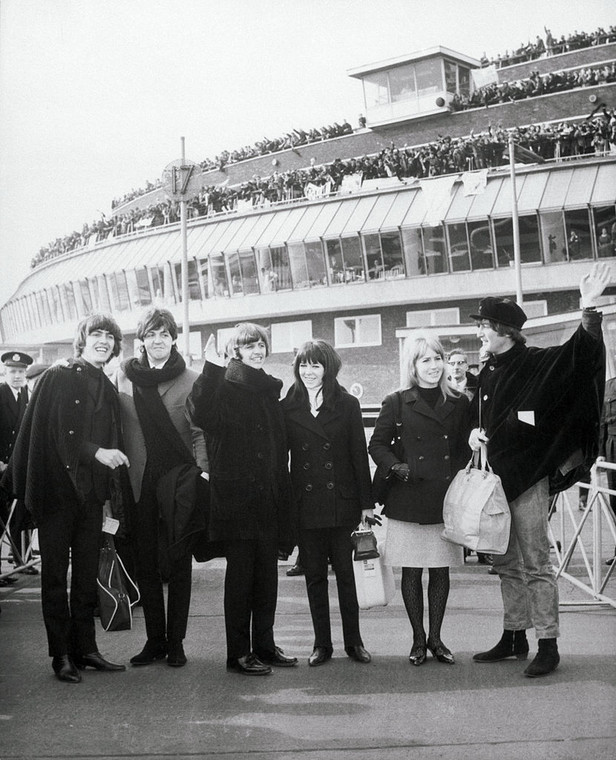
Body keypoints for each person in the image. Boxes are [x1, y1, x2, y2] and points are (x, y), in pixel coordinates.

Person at [468, 262, 610, 678]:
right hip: (496, 480)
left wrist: (589, 307)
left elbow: (580, 355)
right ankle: (515, 635)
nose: (479, 333)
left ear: (506, 331)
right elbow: (476, 422)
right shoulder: (488, 372)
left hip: (528, 480)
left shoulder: (536, 362)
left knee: (536, 563)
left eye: (485, 327)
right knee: (507, 564)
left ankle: (547, 644)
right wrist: (472, 436)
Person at [1, 314, 131, 683]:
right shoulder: (60, 375)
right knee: (55, 577)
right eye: (97, 334)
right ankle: (60, 655)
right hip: (57, 494)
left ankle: (85, 649)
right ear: (83, 339)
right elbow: (60, 432)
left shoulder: (104, 383)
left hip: (90, 496)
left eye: (110, 336)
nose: (103, 340)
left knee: (87, 575)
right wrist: (98, 453)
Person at [188, 323, 297, 675]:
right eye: (249, 346)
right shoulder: (224, 385)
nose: (256, 350)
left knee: (267, 578)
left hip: (268, 499)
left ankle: (264, 646)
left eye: (260, 344)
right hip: (236, 501)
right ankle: (238, 653)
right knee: (240, 580)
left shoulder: (268, 389)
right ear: (235, 351)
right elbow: (199, 413)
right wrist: (210, 367)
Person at [114, 307, 208, 668]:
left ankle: (177, 643)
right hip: (138, 479)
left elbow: (200, 431)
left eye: (164, 335)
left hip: (179, 480)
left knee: (179, 560)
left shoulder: (191, 378)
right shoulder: (122, 377)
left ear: (173, 339)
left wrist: (203, 472)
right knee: (146, 563)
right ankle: (154, 640)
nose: (158, 341)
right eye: (151, 334)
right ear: (141, 340)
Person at [369, 332, 470, 666]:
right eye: (425, 359)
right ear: (412, 365)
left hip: (444, 499)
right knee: (411, 573)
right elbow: (377, 445)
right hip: (407, 497)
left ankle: (436, 639)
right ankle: (417, 640)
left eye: (437, 358)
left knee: (441, 572)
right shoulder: (396, 401)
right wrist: (397, 467)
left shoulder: (458, 401)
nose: (433, 366)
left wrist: (456, 474)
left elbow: (463, 447)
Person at [282, 340, 374, 667]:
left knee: (347, 577)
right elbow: (283, 459)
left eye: (315, 365)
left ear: (328, 368)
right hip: (306, 504)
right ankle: (322, 644)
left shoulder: (347, 404)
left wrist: (367, 504)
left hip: (342, 503)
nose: (308, 372)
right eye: (303, 365)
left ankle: (354, 642)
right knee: (314, 577)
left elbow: (357, 456)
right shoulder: (287, 405)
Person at [0, 351, 33, 584]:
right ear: (5, 373)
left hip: (13, 468)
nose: (17, 376)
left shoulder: (24, 395)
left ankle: (19, 560)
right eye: (13, 372)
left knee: (17, 514)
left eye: (21, 372)